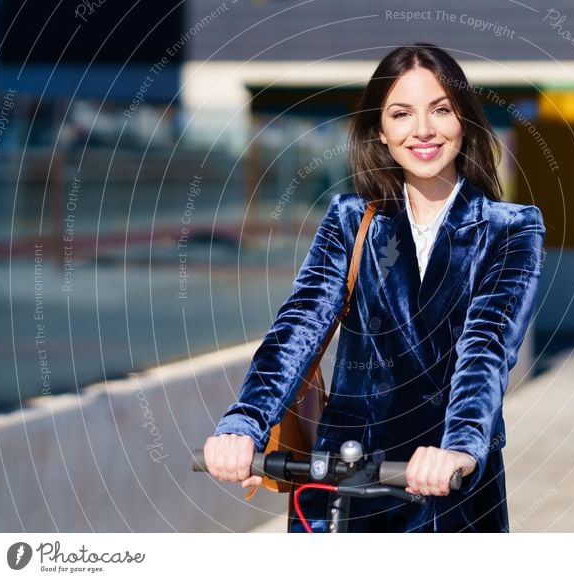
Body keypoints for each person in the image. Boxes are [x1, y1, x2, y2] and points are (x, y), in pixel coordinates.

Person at [203, 42, 545, 532]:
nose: (422, 130)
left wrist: (461, 445)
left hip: (449, 484)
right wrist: (245, 420)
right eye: (401, 114)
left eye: (440, 110)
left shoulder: (510, 228)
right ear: (381, 132)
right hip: (345, 481)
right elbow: (300, 325)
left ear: (464, 120)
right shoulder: (351, 219)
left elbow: (487, 346)